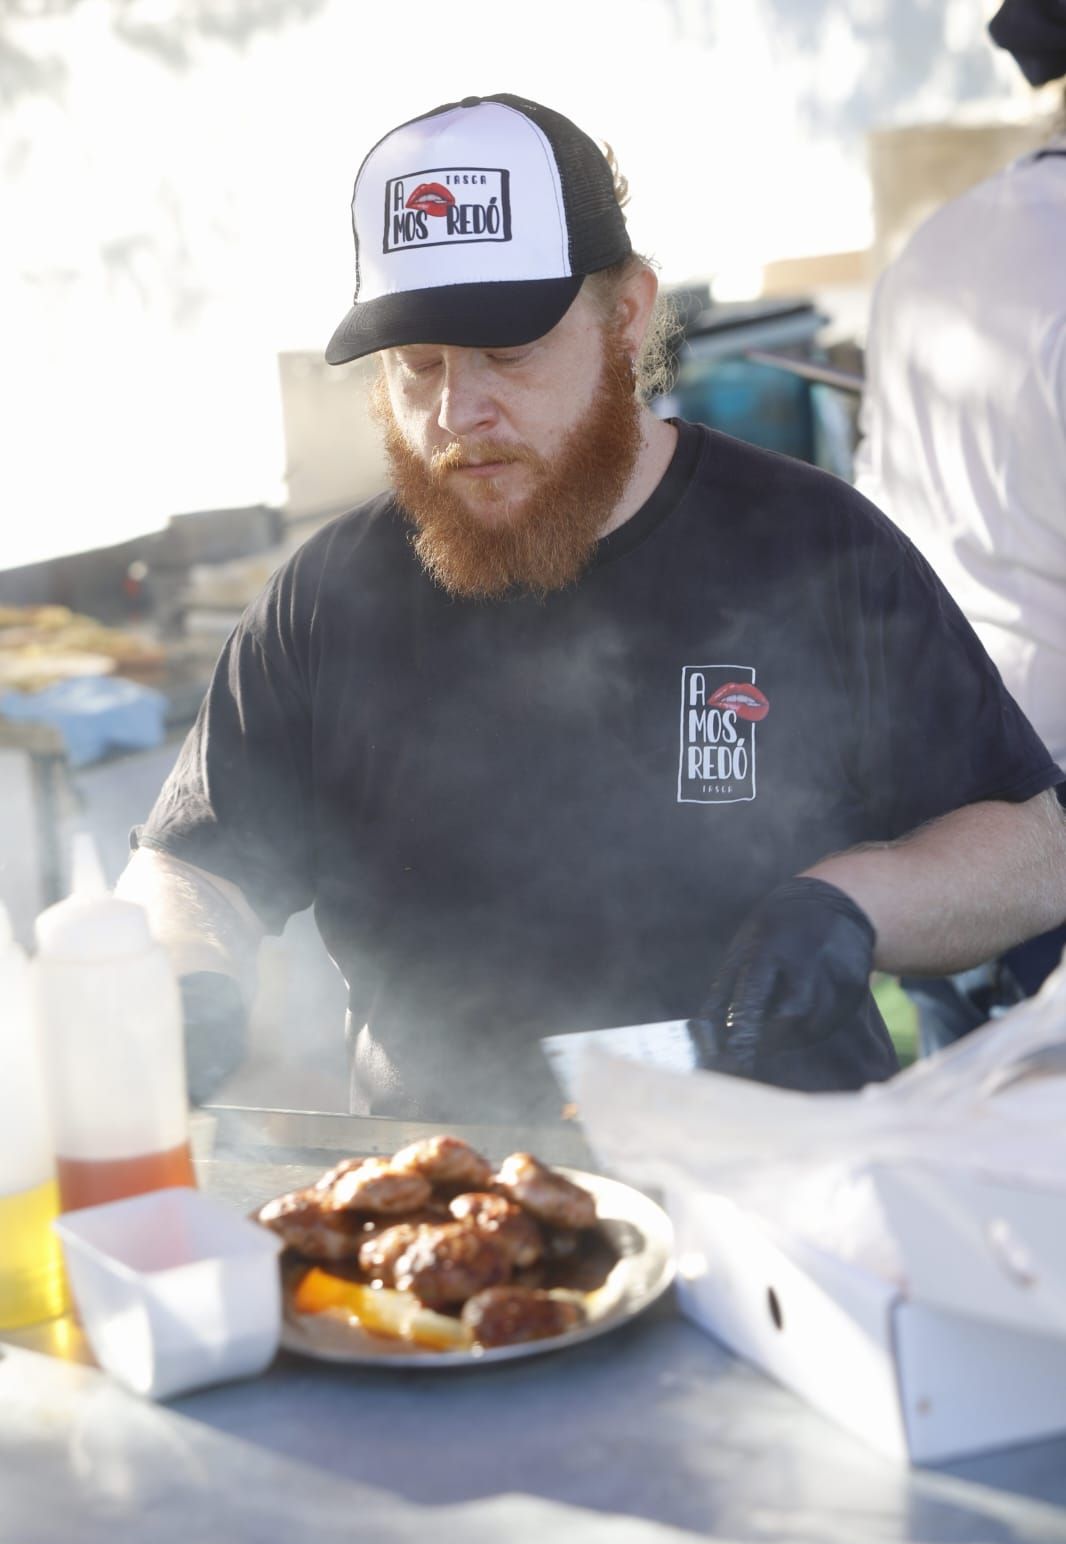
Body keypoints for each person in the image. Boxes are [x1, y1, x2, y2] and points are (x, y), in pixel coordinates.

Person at [118, 92, 1066, 1120]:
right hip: (447, 1211)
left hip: (782, 1180)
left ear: (626, 316)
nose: (456, 412)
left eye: (508, 351)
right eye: (417, 364)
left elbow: (1031, 847)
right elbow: (189, 866)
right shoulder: (327, 599)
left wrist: (855, 903)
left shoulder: (809, 543)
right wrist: (186, 984)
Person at [854, 0, 1066, 1053]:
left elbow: (871, 495)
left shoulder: (936, 242)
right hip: (1051, 806)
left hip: (934, 783)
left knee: (971, 1164)